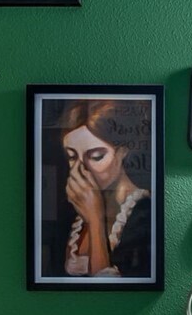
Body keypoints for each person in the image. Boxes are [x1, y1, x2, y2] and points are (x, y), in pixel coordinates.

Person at [56, 99, 151, 279]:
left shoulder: (144, 214)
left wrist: (95, 220)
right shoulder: (73, 213)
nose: (79, 171)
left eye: (96, 156)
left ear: (122, 152)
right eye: (71, 157)